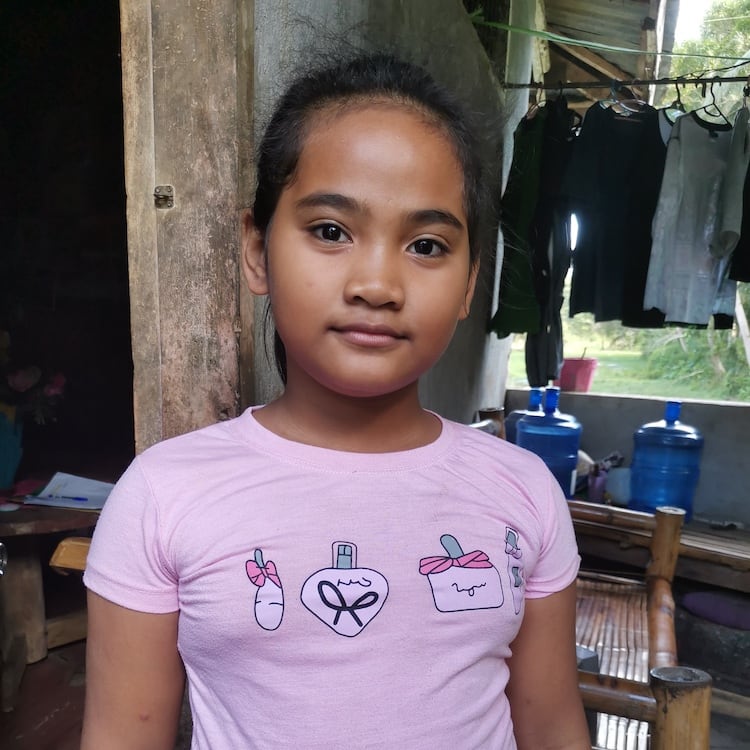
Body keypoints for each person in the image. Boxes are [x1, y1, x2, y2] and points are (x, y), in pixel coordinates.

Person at [81, 53, 590, 750]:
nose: (376, 283)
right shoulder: (164, 496)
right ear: (258, 252)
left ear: (472, 283)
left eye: (426, 244)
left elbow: (554, 727)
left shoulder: (522, 492)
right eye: (330, 231)